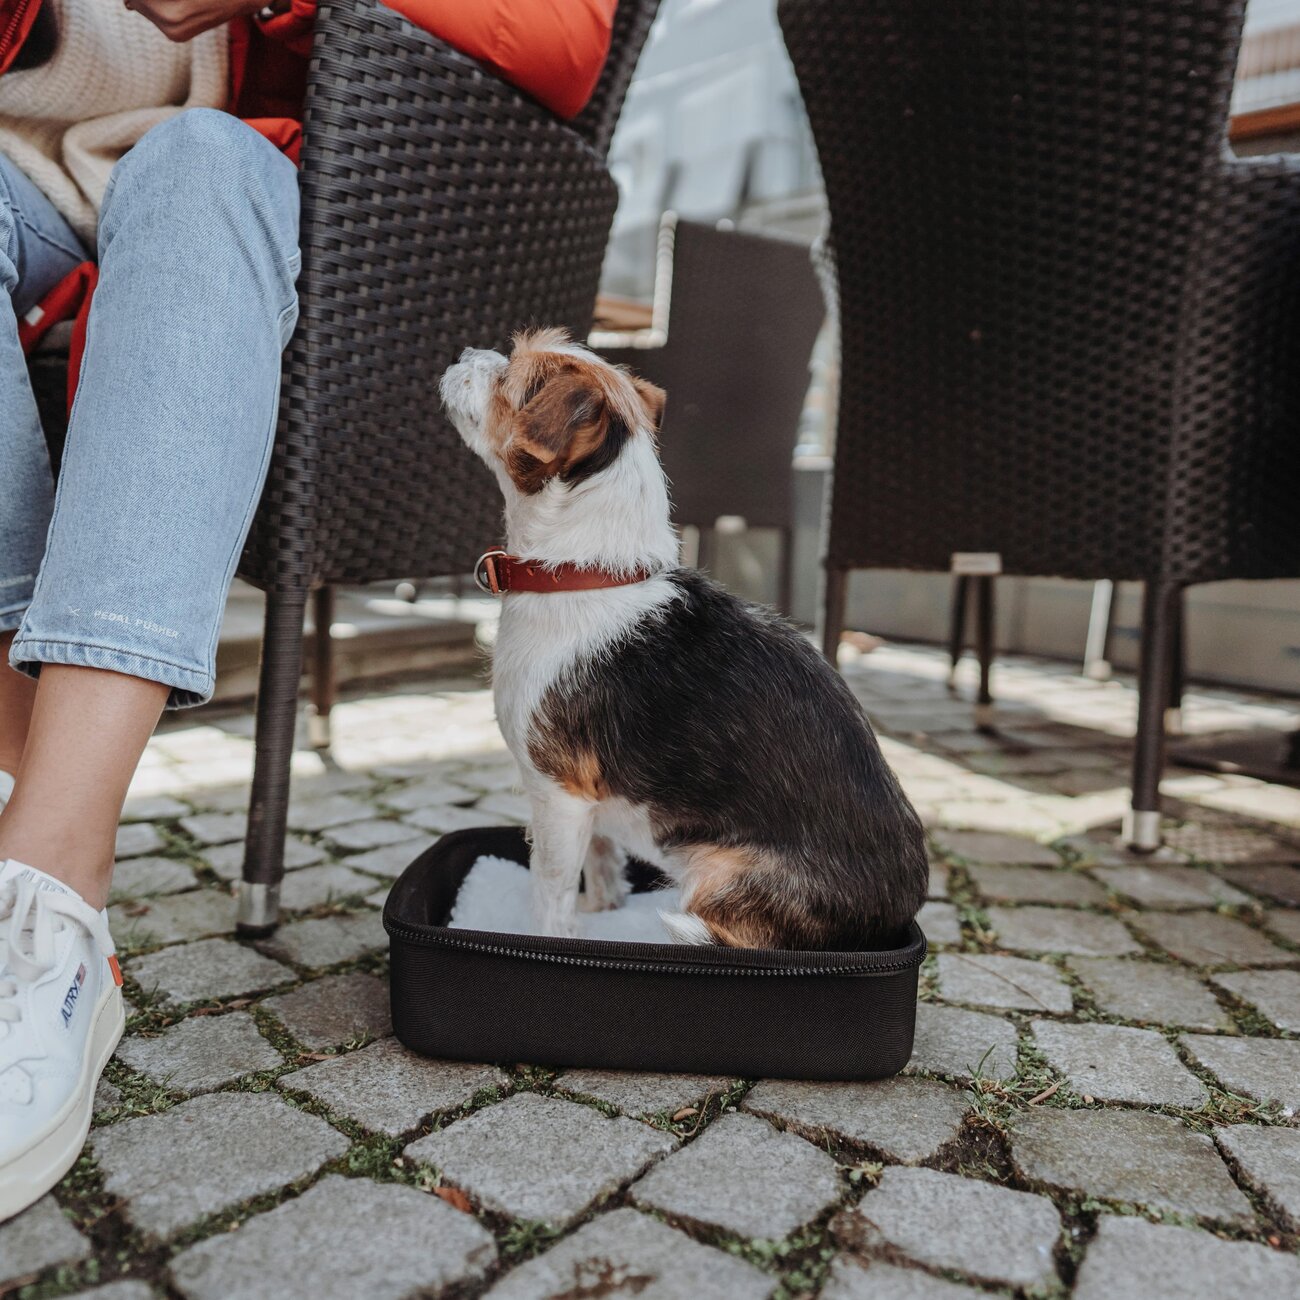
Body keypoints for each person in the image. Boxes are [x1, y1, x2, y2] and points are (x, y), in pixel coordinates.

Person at [0, 0, 617, 1221]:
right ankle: (20, 801)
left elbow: (563, 36)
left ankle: (48, 886)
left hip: (237, 182)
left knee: (200, 162)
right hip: (21, 164)